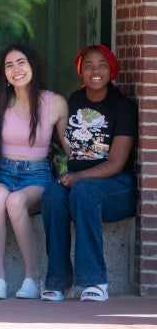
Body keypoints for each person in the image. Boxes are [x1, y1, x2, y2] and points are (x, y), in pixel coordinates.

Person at [40, 44, 137, 302]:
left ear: (112, 70)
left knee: (83, 189)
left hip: (115, 187)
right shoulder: (72, 102)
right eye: (89, 65)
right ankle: (58, 280)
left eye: (102, 65)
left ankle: (95, 280)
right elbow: (60, 138)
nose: (95, 70)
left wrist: (80, 177)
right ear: (81, 72)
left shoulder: (122, 106)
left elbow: (116, 162)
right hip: (77, 183)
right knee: (52, 193)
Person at [0, 45, 68, 300]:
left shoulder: (54, 102)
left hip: (37, 175)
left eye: (21, 63)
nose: (16, 70)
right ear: (4, 74)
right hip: (2, 171)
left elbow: (69, 146)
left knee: (16, 200)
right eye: (9, 65)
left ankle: (33, 276)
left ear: (33, 66)